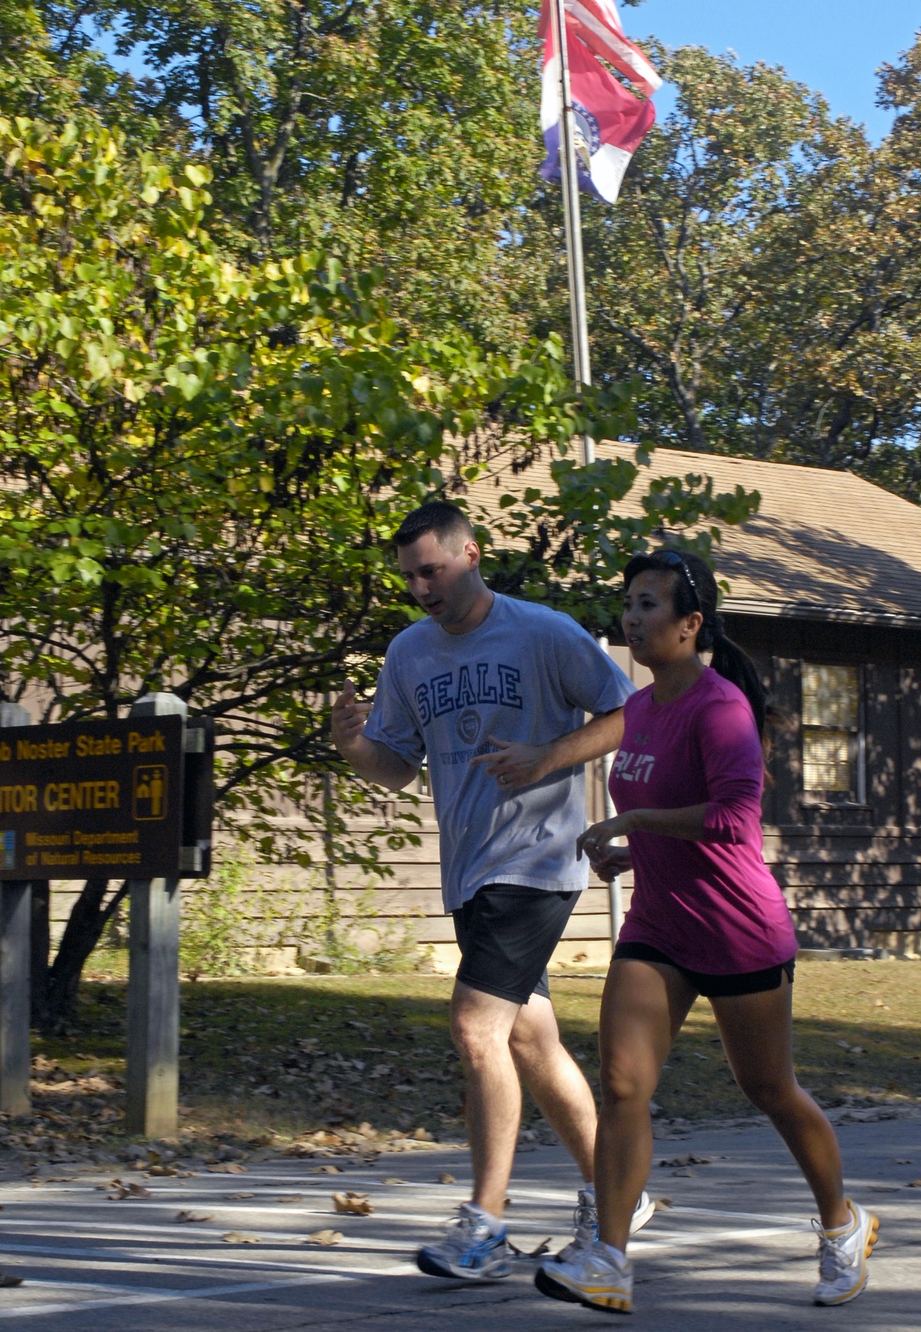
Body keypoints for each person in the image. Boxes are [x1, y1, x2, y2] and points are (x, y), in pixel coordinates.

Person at [535, 549, 878, 1314]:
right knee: (623, 1084)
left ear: (690, 624)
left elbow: (731, 819)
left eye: (648, 605)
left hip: (736, 931)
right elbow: (673, 818)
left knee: (769, 1088)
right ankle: (609, 1261)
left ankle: (842, 1224)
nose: (632, 618)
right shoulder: (642, 708)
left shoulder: (720, 708)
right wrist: (634, 852)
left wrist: (635, 821)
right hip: (659, 926)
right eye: (628, 603)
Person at [331, 501, 655, 1281]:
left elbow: (630, 715)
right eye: (409, 577)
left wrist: (548, 756)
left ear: (471, 555)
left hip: (537, 864)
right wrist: (353, 747)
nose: (420, 589)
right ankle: (618, 1191)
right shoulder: (409, 653)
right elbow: (397, 767)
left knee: (476, 1028)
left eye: (431, 571)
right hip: (470, 871)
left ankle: (486, 1226)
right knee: (527, 1041)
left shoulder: (542, 632)